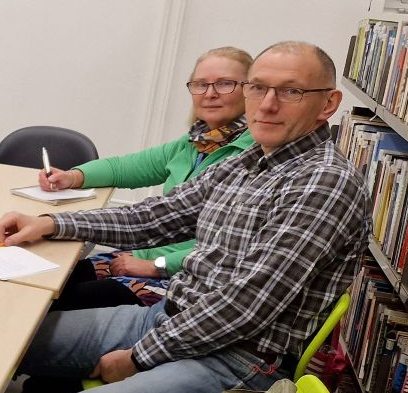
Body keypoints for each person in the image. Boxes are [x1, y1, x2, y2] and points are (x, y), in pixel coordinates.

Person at [0, 41, 368, 393]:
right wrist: (51, 223)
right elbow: (155, 217)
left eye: (290, 91)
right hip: (172, 317)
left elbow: (245, 306)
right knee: (13, 340)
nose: (267, 104)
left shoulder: (323, 183)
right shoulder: (247, 161)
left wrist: (140, 357)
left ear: (328, 104)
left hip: (239, 359)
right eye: (258, 87)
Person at [41, 47, 255, 311]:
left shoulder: (251, 156)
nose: (210, 93)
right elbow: (124, 167)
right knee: (48, 280)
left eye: (224, 84)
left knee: (53, 304)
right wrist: (73, 176)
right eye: (201, 84)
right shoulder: (195, 142)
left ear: (250, 90)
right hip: (144, 255)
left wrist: (156, 265)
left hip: (184, 279)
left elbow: (229, 248)